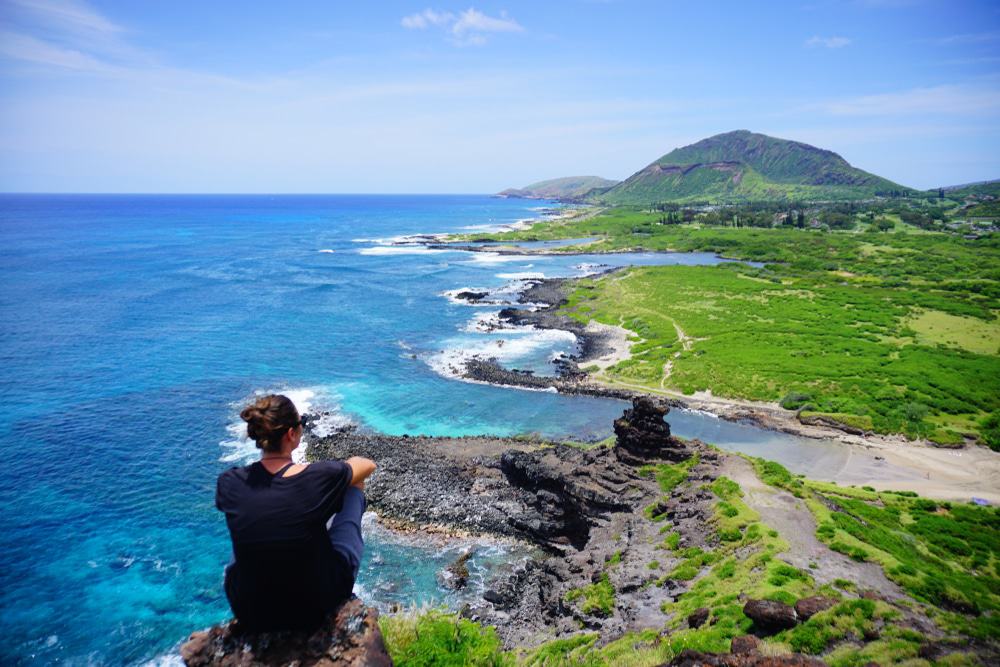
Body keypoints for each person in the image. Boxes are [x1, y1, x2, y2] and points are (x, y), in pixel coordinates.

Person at [215, 394, 376, 632]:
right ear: (292, 434)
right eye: (301, 425)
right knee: (354, 486)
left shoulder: (229, 482)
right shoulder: (317, 477)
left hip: (249, 608)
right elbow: (367, 465)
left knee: (253, 526)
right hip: (315, 605)